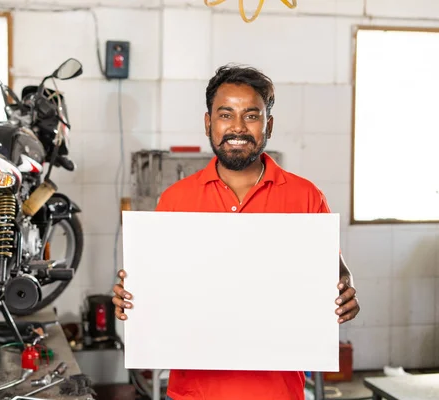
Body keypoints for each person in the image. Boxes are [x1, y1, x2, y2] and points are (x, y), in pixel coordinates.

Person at [111, 64, 360, 400]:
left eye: (252, 116)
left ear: (268, 125)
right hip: (193, 393)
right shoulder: (176, 199)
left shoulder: (305, 196)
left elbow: (333, 271)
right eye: (226, 114)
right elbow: (159, 288)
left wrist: (345, 291)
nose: (238, 127)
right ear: (208, 123)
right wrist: (132, 297)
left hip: (277, 393)